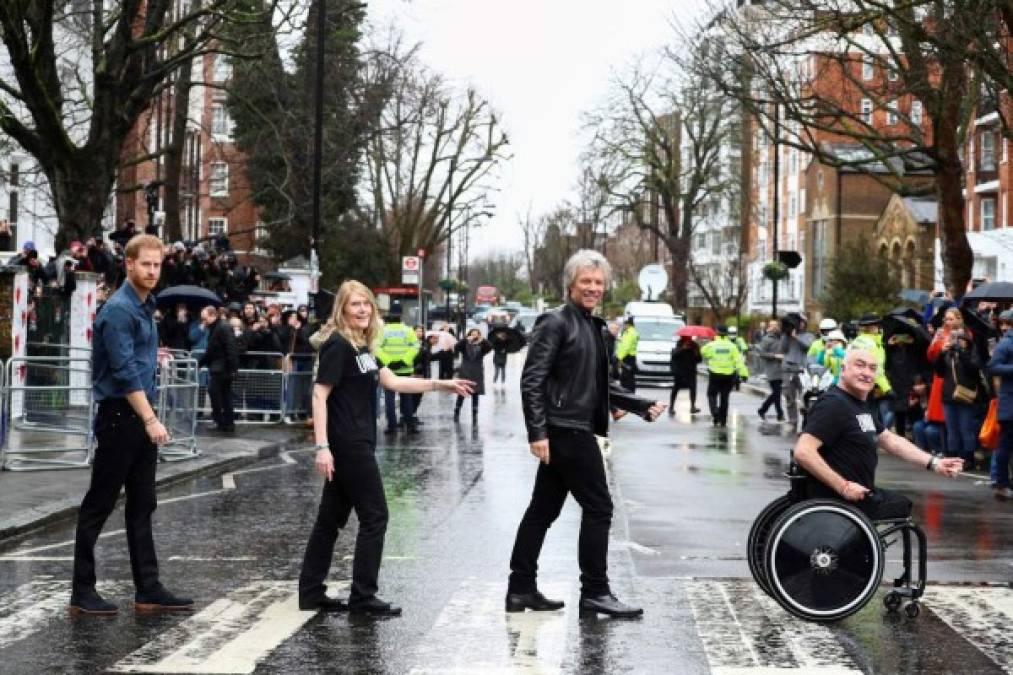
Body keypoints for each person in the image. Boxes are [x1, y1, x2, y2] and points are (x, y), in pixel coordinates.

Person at [299, 280, 474, 616]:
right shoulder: (338, 345)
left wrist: (440, 384)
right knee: (376, 515)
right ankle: (363, 597)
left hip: (357, 440)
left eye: (366, 303)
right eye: (355, 304)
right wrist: (322, 446)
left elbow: (393, 381)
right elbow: (319, 395)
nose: (363, 309)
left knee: (330, 520)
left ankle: (310, 592)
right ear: (343, 309)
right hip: (348, 444)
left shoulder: (361, 347)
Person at [507, 251, 665, 619]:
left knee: (541, 511)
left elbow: (598, 383)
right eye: (586, 282)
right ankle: (595, 591)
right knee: (599, 508)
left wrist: (639, 405)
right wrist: (537, 432)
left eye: (598, 283)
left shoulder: (592, 326)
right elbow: (532, 381)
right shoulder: (555, 322)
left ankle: (520, 589)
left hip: (573, 427)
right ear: (571, 285)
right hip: (565, 431)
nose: (593, 288)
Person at [71, 234, 193, 615]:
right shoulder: (120, 310)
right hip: (122, 418)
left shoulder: (146, 305)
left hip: (139, 418)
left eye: (157, 265)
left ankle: (149, 588)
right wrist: (151, 419)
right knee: (99, 504)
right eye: (146, 265)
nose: (153, 271)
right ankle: (82, 591)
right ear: (129, 264)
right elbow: (124, 375)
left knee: (143, 504)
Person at [794, 347, 963, 521]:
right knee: (899, 506)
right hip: (840, 500)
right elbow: (803, 451)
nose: (867, 373)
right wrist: (843, 486)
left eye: (872, 368)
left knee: (900, 504)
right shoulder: (833, 405)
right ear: (843, 369)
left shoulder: (857, 404)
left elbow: (889, 439)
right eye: (860, 366)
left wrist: (934, 463)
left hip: (860, 494)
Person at [933, 328, 985, 468]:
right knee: (952, 429)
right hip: (949, 396)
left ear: (967, 341)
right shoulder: (948, 354)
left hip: (965, 395)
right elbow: (939, 372)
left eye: (960, 339)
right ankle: (952, 457)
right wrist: (942, 352)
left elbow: (973, 370)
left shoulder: (972, 353)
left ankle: (968, 459)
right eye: (954, 338)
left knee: (965, 429)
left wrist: (961, 353)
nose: (956, 341)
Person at [374, 308, 420, 434]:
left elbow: (376, 347)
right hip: (405, 369)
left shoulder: (383, 331)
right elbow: (415, 346)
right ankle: (409, 425)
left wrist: (389, 362)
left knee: (390, 399)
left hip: (389, 370)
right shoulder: (408, 330)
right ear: (401, 317)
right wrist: (404, 361)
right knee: (406, 397)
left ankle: (392, 426)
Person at [198, 305, 240, 432]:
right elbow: (212, 350)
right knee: (225, 395)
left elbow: (230, 348)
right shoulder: (217, 327)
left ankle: (220, 421)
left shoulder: (222, 327)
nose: (203, 322)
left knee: (215, 392)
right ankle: (227, 422)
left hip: (222, 368)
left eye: (205, 318)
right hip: (221, 367)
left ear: (213, 315)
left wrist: (233, 369)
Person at [851, 314, 895, 429]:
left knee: (861, 416)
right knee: (868, 418)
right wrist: (887, 389)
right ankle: (868, 443)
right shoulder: (871, 344)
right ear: (872, 327)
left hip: (856, 384)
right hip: (867, 384)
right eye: (877, 326)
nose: (880, 328)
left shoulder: (859, 341)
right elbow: (877, 369)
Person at [701, 325, 749, 427]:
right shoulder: (732, 346)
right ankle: (723, 420)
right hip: (728, 375)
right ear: (727, 333)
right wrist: (744, 374)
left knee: (712, 395)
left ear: (717, 332)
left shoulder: (712, 345)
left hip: (715, 374)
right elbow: (739, 361)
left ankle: (715, 412)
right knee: (724, 397)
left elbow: (703, 352)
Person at [988, 309, 1013, 500]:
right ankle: (1001, 484)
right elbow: (993, 367)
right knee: (1005, 445)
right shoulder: (1006, 343)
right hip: (1009, 403)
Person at [454, 328, 492, 421]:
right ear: (469, 334)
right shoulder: (465, 344)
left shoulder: (481, 346)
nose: (474, 335)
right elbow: (456, 346)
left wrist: (482, 340)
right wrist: (466, 339)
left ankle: (475, 412)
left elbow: (490, 347)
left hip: (477, 372)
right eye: (472, 334)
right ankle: (457, 410)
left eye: (476, 334)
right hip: (465, 371)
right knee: (462, 392)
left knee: (476, 393)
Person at [756, 320, 785, 422]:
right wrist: (775, 356)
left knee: (777, 393)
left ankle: (762, 410)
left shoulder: (782, 338)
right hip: (772, 369)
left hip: (783, 369)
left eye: (775, 325)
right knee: (777, 392)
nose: (773, 327)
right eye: (771, 326)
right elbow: (761, 353)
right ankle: (779, 414)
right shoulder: (766, 339)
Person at [669, 335, 702, 414]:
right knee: (676, 388)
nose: (688, 339)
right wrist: (683, 348)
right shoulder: (679, 344)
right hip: (679, 371)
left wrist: (696, 353)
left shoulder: (694, 345)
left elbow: (699, 360)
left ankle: (693, 406)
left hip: (691, 371)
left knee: (693, 388)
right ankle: (671, 407)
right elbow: (674, 356)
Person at [616, 317, 639, 392]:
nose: (623, 326)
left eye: (624, 324)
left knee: (626, 380)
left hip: (627, 358)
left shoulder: (629, 333)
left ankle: (627, 395)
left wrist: (619, 358)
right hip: (631, 358)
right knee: (630, 379)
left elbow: (625, 347)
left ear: (628, 324)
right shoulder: (633, 332)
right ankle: (631, 395)